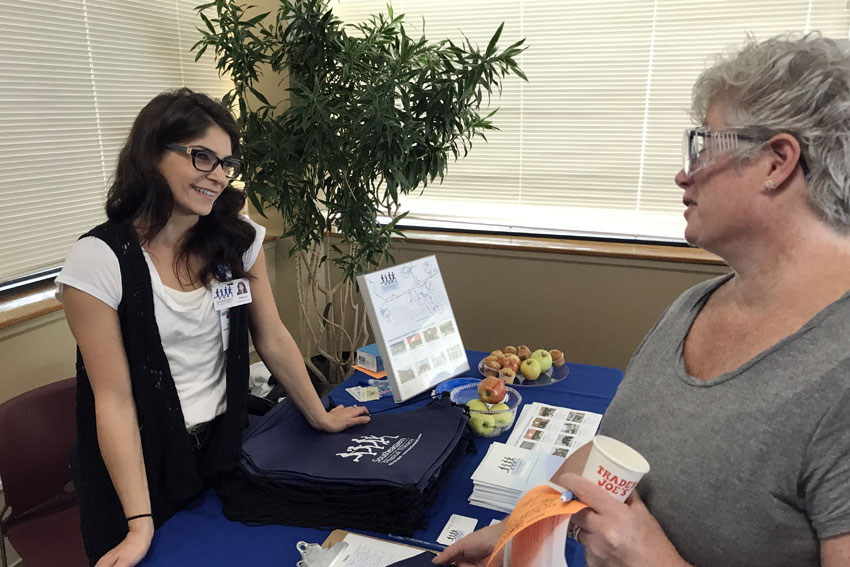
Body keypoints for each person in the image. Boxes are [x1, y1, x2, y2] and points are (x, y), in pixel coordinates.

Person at [434, 33, 850, 567]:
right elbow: (612, 451)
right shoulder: (694, 307)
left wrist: (648, 558)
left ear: (776, 162)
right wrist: (517, 532)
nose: (684, 173)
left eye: (704, 146)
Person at [56, 88, 370, 567]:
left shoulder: (236, 241)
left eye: (227, 163)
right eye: (202, 156)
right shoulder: (99, 260)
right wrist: (139, 524)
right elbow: (113, 400)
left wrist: (319, 415)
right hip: (141, 466)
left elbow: (272, 336)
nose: (219, 175)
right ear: (152, 152)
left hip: (223, 446)